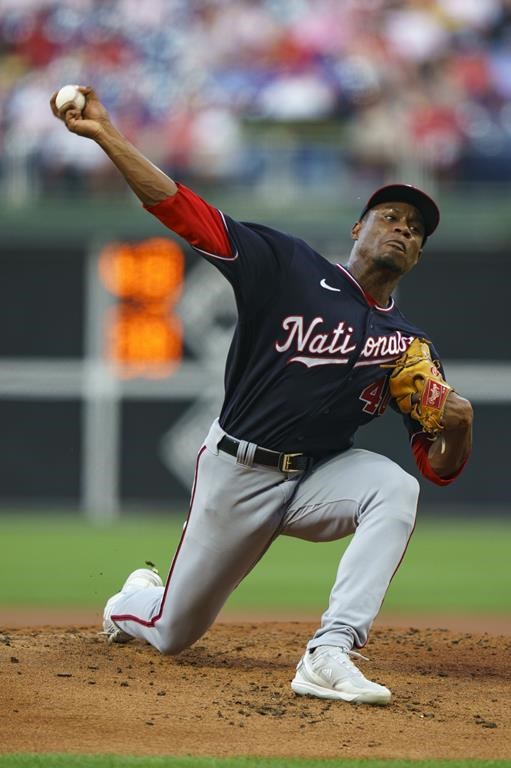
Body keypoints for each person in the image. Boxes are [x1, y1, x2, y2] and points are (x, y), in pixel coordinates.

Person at [51, 87, 473, 706]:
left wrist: (458, 425)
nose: (402, 231)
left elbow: (435, 469)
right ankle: (131, 601)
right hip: (238, 471)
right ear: (358, 227)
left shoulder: (407, 347)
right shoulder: (289, 266)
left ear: (418, 255)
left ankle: (331, 649)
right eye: (390, 218)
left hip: (319, 479)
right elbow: (182, 210)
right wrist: (109, 137)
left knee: (394, 488)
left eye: (415, 231)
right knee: (172, 634)